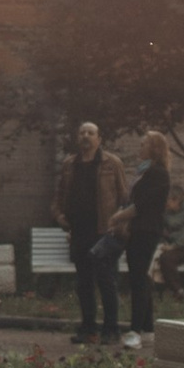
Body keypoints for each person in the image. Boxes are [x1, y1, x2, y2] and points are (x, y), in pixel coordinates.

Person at [58, 120, 125, 341]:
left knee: (106, 280)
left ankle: (111, 329)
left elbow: (124, 199)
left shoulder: (111, 163)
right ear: (78, 138)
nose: (86, 136)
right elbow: (59, 198)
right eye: (82, 132)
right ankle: (88, 329)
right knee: (83, 282)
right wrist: (61, 218)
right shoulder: (69, 164)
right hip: (79, 231)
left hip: (103, 231)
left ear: (99, 139)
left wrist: (119, 227)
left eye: (91, 133)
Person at [123, 131, 172, 343]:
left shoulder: (157, 173)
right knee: (141, 276)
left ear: (154, 148)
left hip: (146, 229)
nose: (139, 147)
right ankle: (147, 328)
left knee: (138, 278)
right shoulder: (144, 172)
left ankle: (135, 331)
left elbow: (141, 204)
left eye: (144, 144)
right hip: (139, 229)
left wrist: (117, 218)